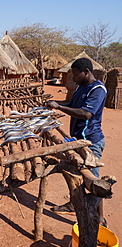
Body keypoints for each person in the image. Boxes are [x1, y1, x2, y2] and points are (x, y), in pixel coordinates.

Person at [45, 57, 107, 228]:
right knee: (74, 173)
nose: (73, 78)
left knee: (94, 181)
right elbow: (71, 104)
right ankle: (74, 203)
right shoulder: (81, 87)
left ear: (86, 72)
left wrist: (59, 107)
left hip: (90, 141)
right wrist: (56, 104)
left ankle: (100, 219)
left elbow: (86, 114)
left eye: (75, 74)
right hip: (77, 140)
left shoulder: (98, 89)